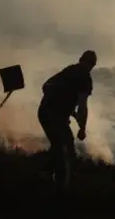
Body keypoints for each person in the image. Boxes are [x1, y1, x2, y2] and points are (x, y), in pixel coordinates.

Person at [37, 50, 97, 191]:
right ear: (93, 65)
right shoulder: (85, 78)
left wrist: (66, 109)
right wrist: (82, 128)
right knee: (65, 150)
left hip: (44, 112)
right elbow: (82, 106)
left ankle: (46, 174)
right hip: (54, 116)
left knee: (61, 144)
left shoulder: (69, 70)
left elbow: (46, 86)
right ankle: (62, 187)